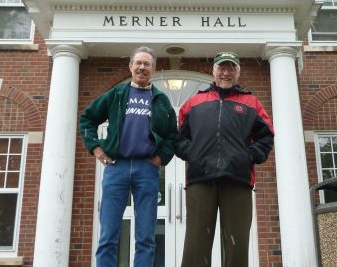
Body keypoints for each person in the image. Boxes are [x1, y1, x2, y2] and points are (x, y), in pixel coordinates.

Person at [79, 46, 177, 267]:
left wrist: (160, 158)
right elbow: (88, 119)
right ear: (130, 66)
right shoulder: (117, 94)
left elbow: (173, 135)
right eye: (138, 63)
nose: (142, 67)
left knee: (146, 238)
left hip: (147, 170)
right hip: (117, 168)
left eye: (147, 64)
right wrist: (96, 148)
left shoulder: (161, 100)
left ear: (153, 68)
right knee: (108, 237)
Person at [175, 51, 274, 267]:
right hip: (200, 180)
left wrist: (249, 155)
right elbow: (179, 138)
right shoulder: (194, 102)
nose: (226, 73)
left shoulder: (251, 102)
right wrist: (193, 154)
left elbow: (266, 135)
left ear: (238, 73)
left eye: (231, 68)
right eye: (222, 68)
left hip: (237, 180)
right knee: (196, 244)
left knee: (237, 243)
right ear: (214, 71)